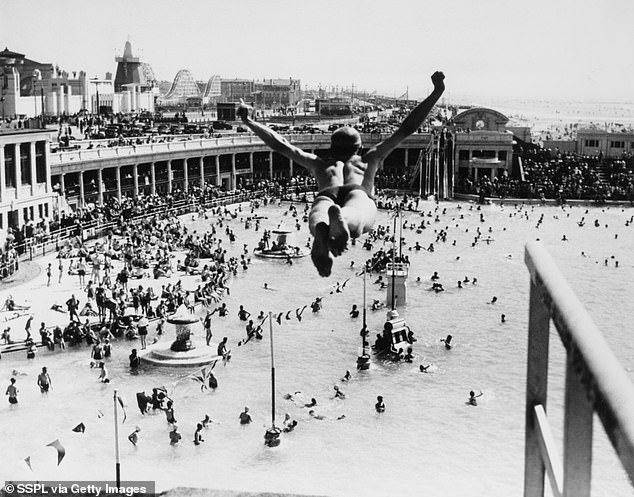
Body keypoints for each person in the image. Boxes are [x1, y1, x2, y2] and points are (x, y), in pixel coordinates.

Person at [237, 71, 445, 277]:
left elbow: (280, 145)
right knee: (359, 216)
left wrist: (249, 122)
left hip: (327, 191)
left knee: (318, 215)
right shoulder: (368, 159)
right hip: (358, 191)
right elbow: (406, 129)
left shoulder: (319, 164)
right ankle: (343, 219)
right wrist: (437, 91)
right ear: (359, 146)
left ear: (331, 146)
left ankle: (321, 228)